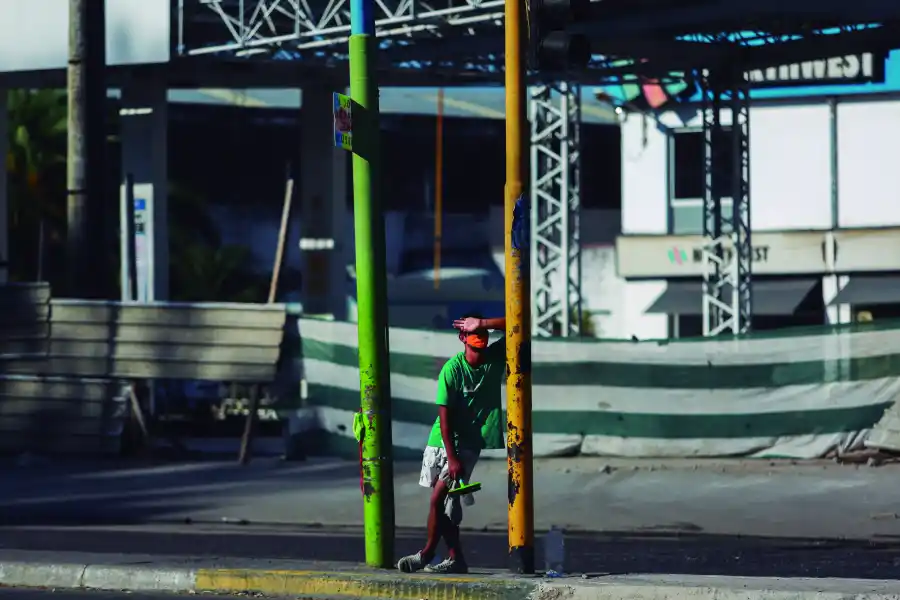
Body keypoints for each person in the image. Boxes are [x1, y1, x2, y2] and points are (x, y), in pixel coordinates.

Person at [396, 313, 506, 574]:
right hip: (442, 442)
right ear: (462, 338)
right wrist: (451, 456)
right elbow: (444, 419)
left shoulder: (494, 358)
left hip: (469, 444)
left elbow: (520, 322)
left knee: (438, 500)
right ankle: (456, 558)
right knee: (444, 504)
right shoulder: (452, 369)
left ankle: (426, 554)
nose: (478, 340)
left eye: (481, 334)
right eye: (472, 335)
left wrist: (483, 323)